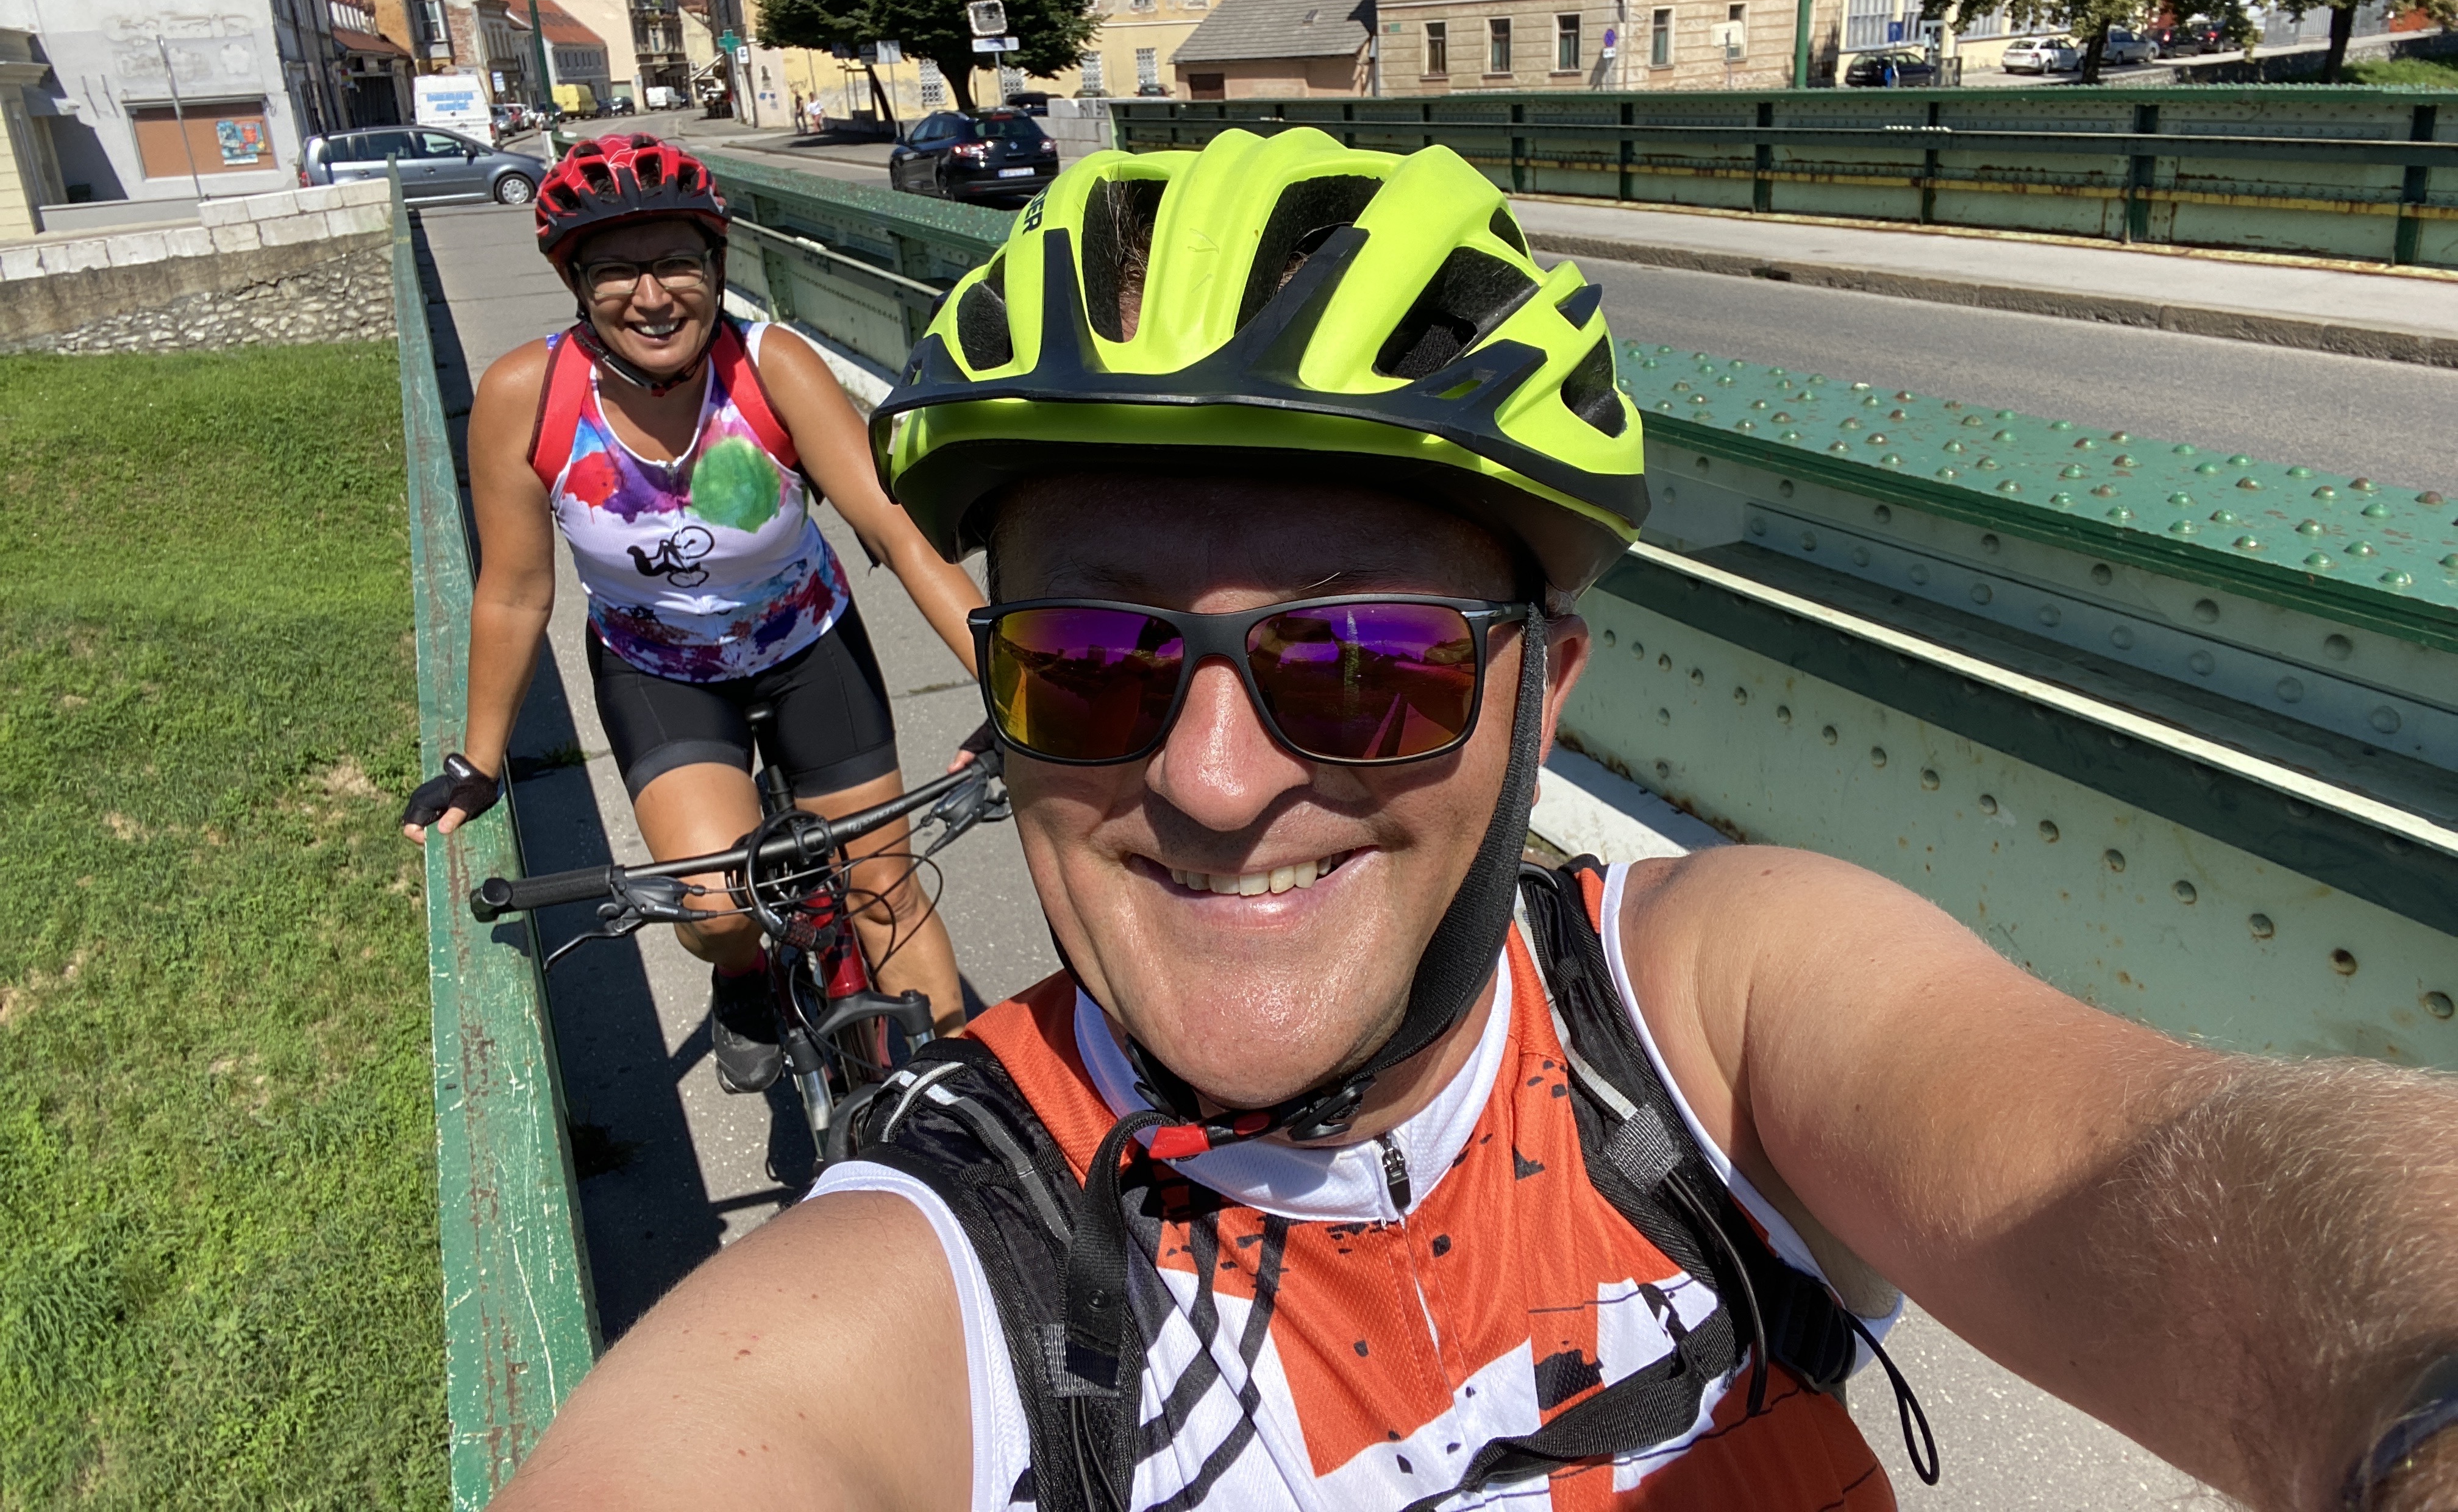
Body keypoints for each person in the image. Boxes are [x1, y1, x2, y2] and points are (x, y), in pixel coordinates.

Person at [489, 129, 2458, 1511]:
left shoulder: (1699, 1022)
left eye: (1365, 665)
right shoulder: (933, 1278)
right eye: (1087, 662)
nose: (1213, 781)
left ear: (1545, 693)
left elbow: (2168, 1170)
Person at [402, 132, 983, 1091]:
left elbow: (900, 532)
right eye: (615, 271)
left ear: (716, 267)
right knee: (716, 908)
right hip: (658, 671)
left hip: (808, 647)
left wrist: (1014, 687)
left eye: (677, 261)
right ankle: (744, 977)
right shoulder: (527, 397)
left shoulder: (770, 366)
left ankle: (956, 1114)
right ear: (576, 285)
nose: (652, 295)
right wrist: (479, 762)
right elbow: (513, 592)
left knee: (885, 889)